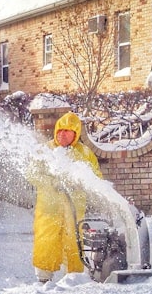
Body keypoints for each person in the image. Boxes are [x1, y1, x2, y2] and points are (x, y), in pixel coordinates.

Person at [29, 112, 102, 283]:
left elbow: (97, 177)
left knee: (74, 241)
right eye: (60, 130)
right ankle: (43, 278)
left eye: (68, 131)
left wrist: (81, 183)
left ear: (75, 134)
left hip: (74, 209)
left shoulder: (84, 153)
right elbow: (32, 173)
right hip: (49, 208)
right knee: (46, 240)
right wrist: (52, 183)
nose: (62, 134)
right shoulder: (44, 150)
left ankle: (73, 278)